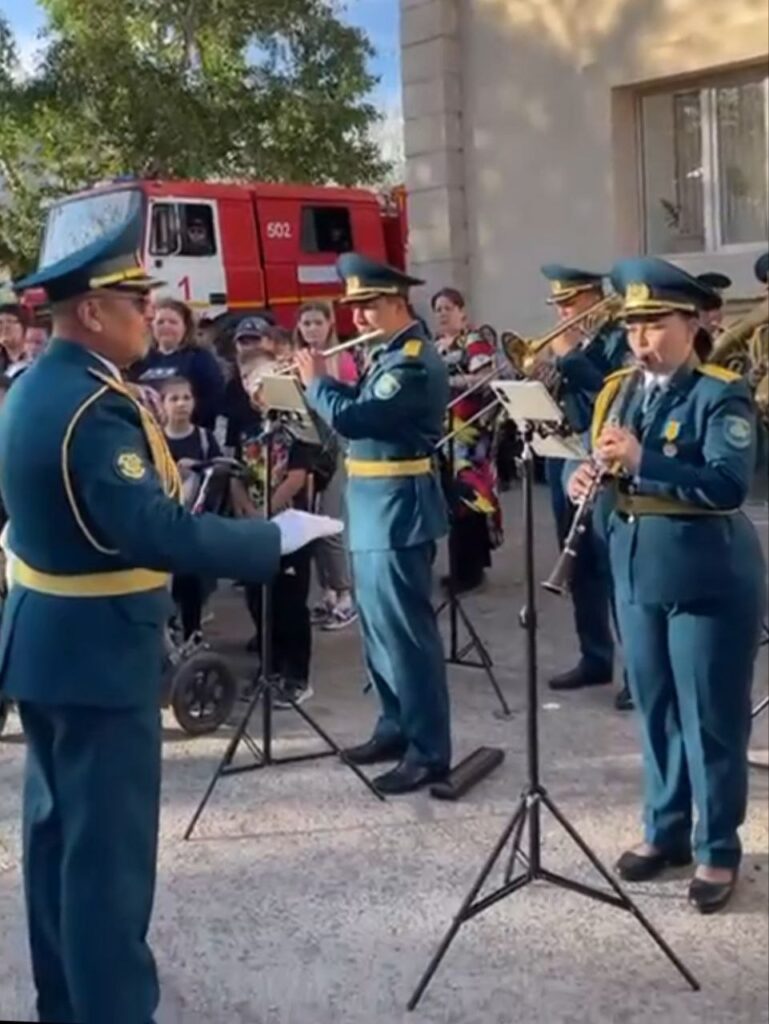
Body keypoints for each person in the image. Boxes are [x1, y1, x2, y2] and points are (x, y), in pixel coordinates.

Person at [0, 213, 297, 1024]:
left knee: (58, 846)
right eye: (135, 301)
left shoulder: (40, 385)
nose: (148, 313)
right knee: (107, 864)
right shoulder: (89, 405)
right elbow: (152, 530)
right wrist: (270, 538)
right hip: (98, 654)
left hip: (50, 643)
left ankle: (67, 1005)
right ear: (93, 311)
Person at [566, 257, 766, 914]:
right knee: (655, 709)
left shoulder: (719, 393)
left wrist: (642, 459)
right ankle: (666, 829)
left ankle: (717, 848)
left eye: (654, 324)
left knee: (709, 717)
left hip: (707, 574)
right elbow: (597, 458)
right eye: (632, 326)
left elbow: (728, 485)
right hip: (636, 569)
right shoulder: (620, 390)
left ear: (692, 324)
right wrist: (581, 477)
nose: (640, 338)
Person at [297, 252, 452, 795]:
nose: (358, 317)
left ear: (396, 302)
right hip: (370, 507)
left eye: (368, 306)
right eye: (355, 307)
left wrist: (315, 383)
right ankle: (394, 727)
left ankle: (429, 751)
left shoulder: (412, 361)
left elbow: (357, 417)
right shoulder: (385, 354)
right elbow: (357, 406)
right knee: (379, 634)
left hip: (398, 510)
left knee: (407, 639)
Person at [538, 264, 630, 705]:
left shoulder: (618, 337)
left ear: (595, 297)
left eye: (569, 302)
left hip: (606, 457)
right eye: (557, 304)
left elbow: (610, 390)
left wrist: (571, 355)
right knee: (579, 562)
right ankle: (594, 656)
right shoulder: (578, 340)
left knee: (612, 564)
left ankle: (637, 672)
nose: (562, 312)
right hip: (568, 451)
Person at [233, 330, 322, 707]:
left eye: (265, 379)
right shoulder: (247, 428)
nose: (257, 387)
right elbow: (236, 473)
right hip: (254, 527)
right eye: (250, 381)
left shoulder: (297, 426)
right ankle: (268, 668)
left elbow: (298, 476)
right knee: (259, 600)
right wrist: (246, 509)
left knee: (290, 603)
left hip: (289, 526)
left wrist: (268, 508)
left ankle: (296, 675)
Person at [432, 287, 502, 593]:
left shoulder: (474, 342)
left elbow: (487, 379)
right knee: (453, 500)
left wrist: (448, 381)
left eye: (448, 308)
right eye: (438, 309)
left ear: (462, 312)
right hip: (444, 435)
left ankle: (470, 571)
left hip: (471, 434)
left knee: (470, 499)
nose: (443, 314)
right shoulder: (434, 346)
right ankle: (462, 566)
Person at [294, 301, 357, 630]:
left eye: (317, 322)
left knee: (332, 522)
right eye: (306, 323)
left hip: (337, 450)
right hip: (309, 449)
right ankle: (328, 592)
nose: (312, 329)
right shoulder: (296, 359)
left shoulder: (341, 359)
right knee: (313, 523)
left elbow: (344, 406)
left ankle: (346, 595)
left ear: (330, 324)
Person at [161, 376, 222, 640]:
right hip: (163, 522)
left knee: (191, 583)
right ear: (162, 404)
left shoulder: (205, 438)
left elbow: (220, 470)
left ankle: (193, 633)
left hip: (194, 522)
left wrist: (200, 467)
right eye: (173, 398)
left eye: (186, 397)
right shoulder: (155, 439)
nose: (181, 404)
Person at [131, 296, 225, 429]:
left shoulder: (200, 358)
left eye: (173, 322)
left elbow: (212, 399)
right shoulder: (139, 358)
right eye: (160, 322)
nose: (166, 326)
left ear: (185, 327)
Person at [0, 301, 31, 379]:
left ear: (23, 327)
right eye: (0, 323)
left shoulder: (35, 358)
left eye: (9, 321)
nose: (4, 327)